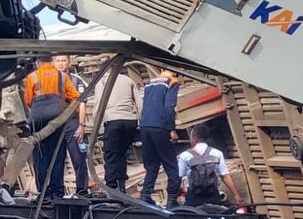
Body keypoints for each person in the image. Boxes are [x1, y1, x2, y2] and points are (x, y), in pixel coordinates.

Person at [23, 54, 79, 201]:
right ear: (51, 60)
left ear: (38, 61)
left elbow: (28, 100)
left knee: (40, 154)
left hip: (38, 118)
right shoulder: (62, 76)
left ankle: (43, 192)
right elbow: (75, 96)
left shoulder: (32, 77)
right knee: (58, 154)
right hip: (57, 118)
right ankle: (57, 191)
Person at [93, 70, 140, 192]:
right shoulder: (128, 80)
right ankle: (122, 185)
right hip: (130, 121)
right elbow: (139, 102)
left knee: (111, 155)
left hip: (113, 120)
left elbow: (99, 102)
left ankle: (112, 187)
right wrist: (140, 121)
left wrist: (96, 124)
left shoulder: (102, 81)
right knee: (121, 154)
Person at [139, 70, 180, 205]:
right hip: (160, 126)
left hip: (145, 126)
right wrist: (172, 129)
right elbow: (169, 107)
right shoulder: (172, 82)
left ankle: (145, 194)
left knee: (152, 164)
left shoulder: (150, 83)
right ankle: (172, 199)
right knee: (171, 164)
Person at [177, 125, 244, 207]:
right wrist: (236, 195)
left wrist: (175, 195)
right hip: (213, 195)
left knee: (192, 217)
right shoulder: (217, 153)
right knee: (216, 216)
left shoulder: (185, 155)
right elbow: (225, 175)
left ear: (194, 138)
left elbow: (179, 177)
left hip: (193, 197)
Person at [52, 54, 90, 196]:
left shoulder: (76, 80)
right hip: (55, 124)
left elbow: (82, 103)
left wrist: (81, 125)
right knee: (57, 159)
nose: (61, 64)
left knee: (78, 157)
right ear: (53, 63)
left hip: (72, 123)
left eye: (64, 61)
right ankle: (58, 191)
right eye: (58, 61)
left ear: (69, 62)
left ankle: (82, 190)